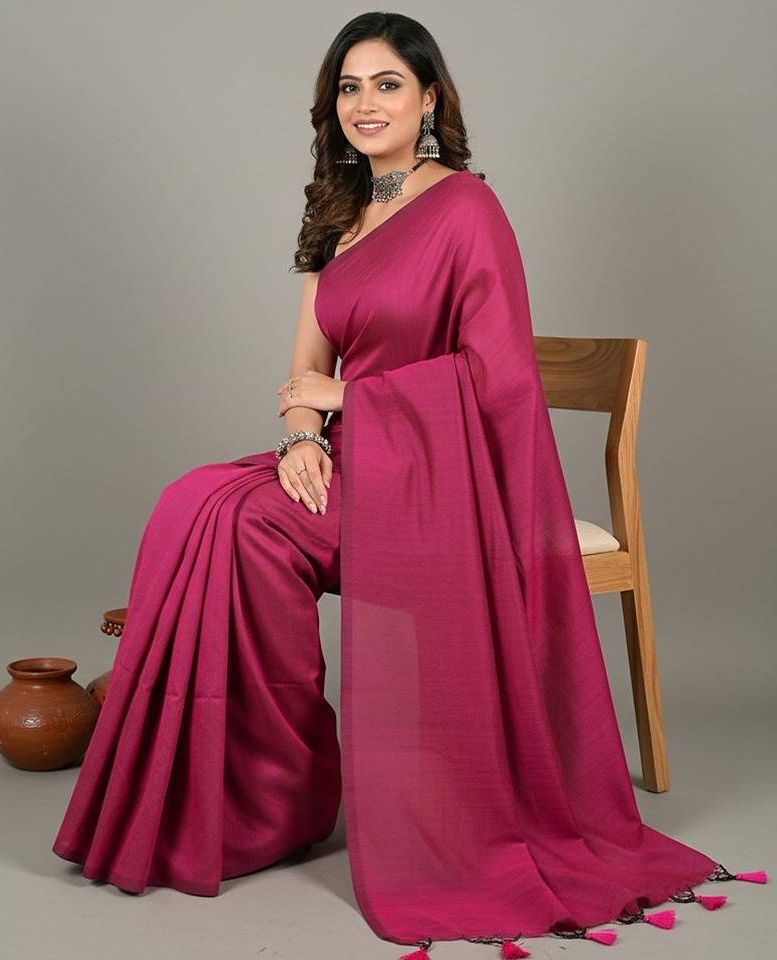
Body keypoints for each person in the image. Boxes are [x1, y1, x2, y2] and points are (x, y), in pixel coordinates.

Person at [52, 11, 767, 959]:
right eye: (349, 87)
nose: (366, 104)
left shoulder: (468, 209)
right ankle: (271, 792)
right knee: (201, 504)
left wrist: (350, 398)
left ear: (429, 98)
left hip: (449, 478)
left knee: (240, 522)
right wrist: (302, 436)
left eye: (387, 83)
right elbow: (303, 367)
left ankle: (284, 793)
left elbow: (498, 379)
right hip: (359, 462)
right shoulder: (338, 212)